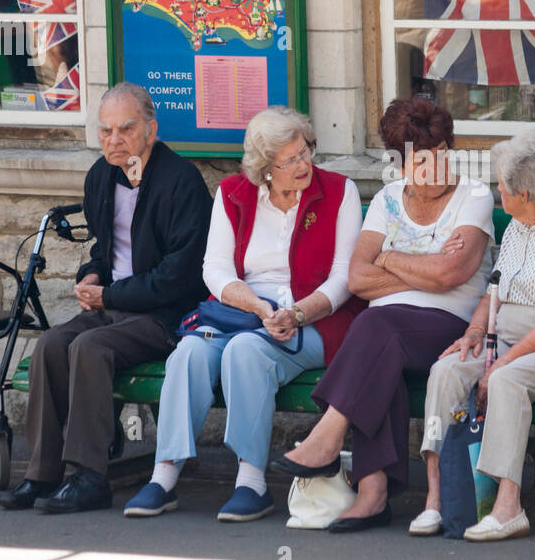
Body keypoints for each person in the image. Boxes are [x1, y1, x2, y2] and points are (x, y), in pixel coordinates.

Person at [123, 107, 365, 521]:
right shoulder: (234, 192)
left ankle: (250, 482)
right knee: (188, 354)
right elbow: (214, 269)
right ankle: (164, 475)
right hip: (240, 313)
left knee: (247, 353)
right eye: (289, 160)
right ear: (265, 168)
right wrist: (256, 305)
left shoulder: (341, 192)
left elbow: (345, 278)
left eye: (305, 152)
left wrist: (297, 314)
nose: (303, 165)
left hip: (315, 318)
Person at [270, 98, 495, 532]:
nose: (432, 174)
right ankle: (372, 494)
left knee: (373, 328)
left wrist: (388, 259)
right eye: (418, 165)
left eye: (440, 158)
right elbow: (357, 278)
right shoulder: (388, 199)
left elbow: (453, 274)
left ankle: (330, 440)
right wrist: (419, 266)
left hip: (450, 326)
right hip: (387, 332)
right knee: (379, 347)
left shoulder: (475, 196)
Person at [1, 82, 211, 513]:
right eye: (105, 132)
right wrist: (92, 275)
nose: (114, 141)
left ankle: (90, 475)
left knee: (88, 347)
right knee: (51, 345)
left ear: (151, 130)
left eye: (126, 130)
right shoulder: (101, 176)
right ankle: (41, 473)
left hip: (166, 316)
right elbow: (105, 249)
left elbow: (181, 275)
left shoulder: (181, 181)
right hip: (114, 306)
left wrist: (109, 294)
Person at [418, 130, 535, 542]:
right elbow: (495, 290)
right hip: (508, 339)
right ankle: (437, 498)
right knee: (446, 370)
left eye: (502, 186)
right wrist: (473, 332)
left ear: (523, 192)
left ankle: (507, 506)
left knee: (505, 381)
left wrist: (500, 363)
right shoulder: (521, 223)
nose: (497, 191)